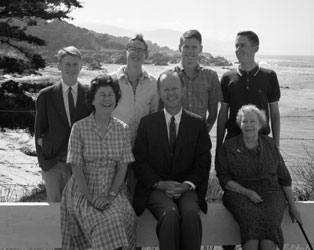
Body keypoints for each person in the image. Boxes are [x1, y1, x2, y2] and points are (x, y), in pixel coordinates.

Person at [132, 69, 212, 250]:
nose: (171, 93)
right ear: (159, 93)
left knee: (191, 215)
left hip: (187, 187)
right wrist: (160, 184)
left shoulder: (197, 123)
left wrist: (186, 184)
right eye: (166, 89)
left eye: (175, 88)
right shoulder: (147, 123)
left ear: (183, 90)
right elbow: (139, 161)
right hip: (155, 188)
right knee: (170, 215)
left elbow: (203, 161)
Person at [61, 75, 136, 250]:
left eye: (111, 95)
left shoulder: (123, 129)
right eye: (102, 95)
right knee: (103, 223)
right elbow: (76, 167)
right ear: (92, 99)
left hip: (114, 190)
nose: (107, 99)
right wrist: (91, 198)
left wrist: (110, 195)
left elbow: (122, 167)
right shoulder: (79, 128)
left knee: (117, 218)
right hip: (83, 190)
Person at [216, 104, 302, 250]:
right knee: (250, 218)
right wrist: (247, 192)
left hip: (271, 192)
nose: (248, 125)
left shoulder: (270, 144)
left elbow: (284, 177)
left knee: (271, 219)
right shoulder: (228, 147)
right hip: (239, 193)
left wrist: (292, 205)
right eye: (244, 121)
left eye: (252, 121)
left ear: (261, 124)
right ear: (239, 124)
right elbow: (224, 179)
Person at [34, 46, 92, 202]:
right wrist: (44, 163)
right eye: (67, 64)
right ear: (59, 65)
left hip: (82, 165)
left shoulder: (90, 94)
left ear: (81, 66)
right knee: (55, 210)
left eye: (75, 64)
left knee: (79, 208)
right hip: (54, 164)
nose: (71, 68)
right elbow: (38, 131)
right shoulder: (45, 95)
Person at [216, 30, 281, 152]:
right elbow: (223, 114)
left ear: (255, 48)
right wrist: (219, 147)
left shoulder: (270, 76)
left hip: (262, 143)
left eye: (242, 45)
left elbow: (275, 113)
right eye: (236, 45)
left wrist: (276, 144)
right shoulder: (226, 78)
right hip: (233, 142)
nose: (238, 49)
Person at [160, 29, 222, 132]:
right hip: (173, 136)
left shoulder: (211, 76)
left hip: (199, 137)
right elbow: (161, 109)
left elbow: (213, 113)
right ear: (180, 48)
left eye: (194, 47)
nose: (190, 51)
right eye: (186, 47)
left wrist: (204, 132)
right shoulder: (168, 76)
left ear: (200, 49)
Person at [111, 33, 159, 143]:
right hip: (115, 142)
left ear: (146, 55)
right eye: (133, 49)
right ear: (126, 52)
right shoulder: (111, 80)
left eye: (140, 50)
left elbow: (153, 113)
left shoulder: (153, 83)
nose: (136, 53)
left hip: (142, 143)